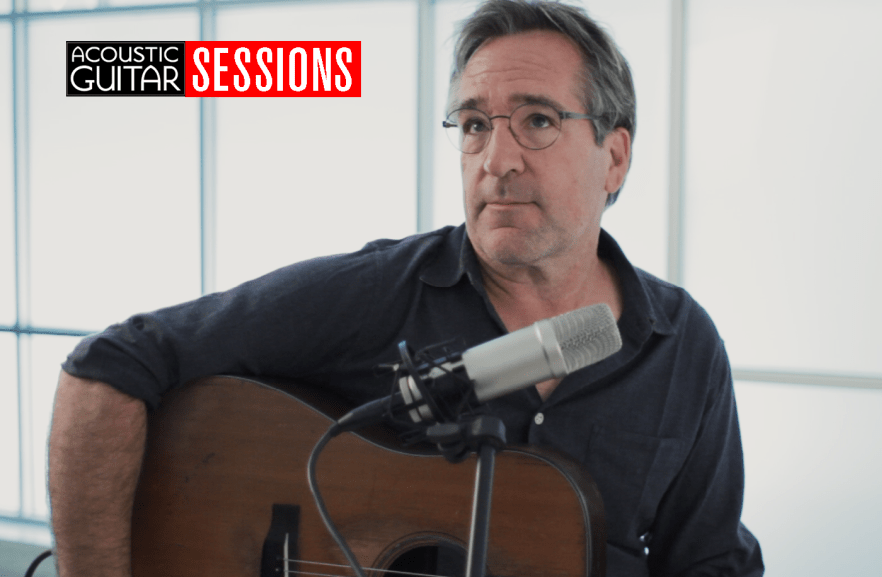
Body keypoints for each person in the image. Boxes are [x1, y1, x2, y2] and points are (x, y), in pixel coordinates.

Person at [48, 1, 764, 575]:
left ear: (615, 156)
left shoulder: (683, 345)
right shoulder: (377, 293)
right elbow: (110, 365)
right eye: (475, 124)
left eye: (538, 121)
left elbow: (708, 558)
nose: (496, 160)